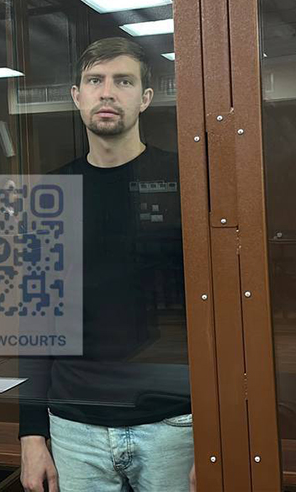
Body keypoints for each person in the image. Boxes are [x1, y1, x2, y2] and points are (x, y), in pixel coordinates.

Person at [19, 37, 194, 492]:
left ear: (145, 97)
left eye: (123, 81)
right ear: (77, 96)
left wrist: (219, 429)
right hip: (75, 427)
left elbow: (217, 312)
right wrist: (31, 435)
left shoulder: (185, 182)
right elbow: (36, 320)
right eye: (95, 81)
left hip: (175, 422)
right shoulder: (50, 195)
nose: (108, 92)